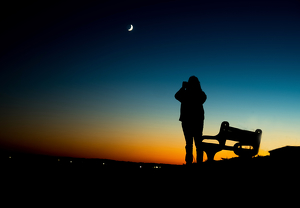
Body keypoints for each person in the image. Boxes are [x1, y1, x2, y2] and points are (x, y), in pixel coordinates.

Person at [175, 76, 207, 165]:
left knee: (193, 144)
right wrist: (183, 88)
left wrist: (183, 88)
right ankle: (193, 162)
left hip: (191, 121)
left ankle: (192, 163)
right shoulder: (190, 93)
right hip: (193, 120)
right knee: (194, 144)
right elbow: (176, 96)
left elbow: (177, 96)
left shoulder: (195, 94)